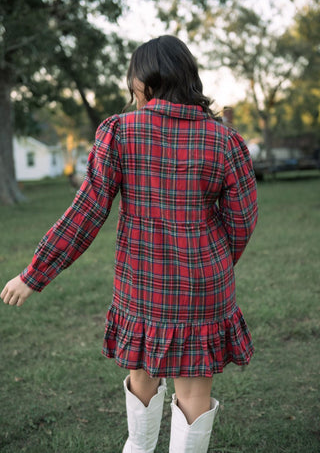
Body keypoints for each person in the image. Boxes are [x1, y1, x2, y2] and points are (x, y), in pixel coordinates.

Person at [1, 35, 258, 453]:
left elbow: (87, 211)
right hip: (205, 287)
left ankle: (137, 449)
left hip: (142, 283)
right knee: (193, 391)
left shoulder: (121, 132)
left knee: (143, 375)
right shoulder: (225, 140)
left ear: (146, 80)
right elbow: (243, 221)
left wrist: (35, 273)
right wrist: (216, 263)